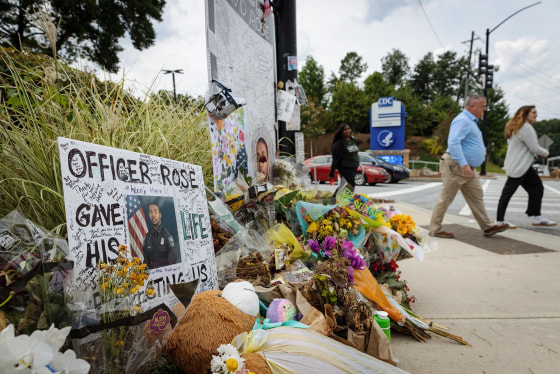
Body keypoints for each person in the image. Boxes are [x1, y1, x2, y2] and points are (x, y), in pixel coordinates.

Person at [429, 94, 509, 238]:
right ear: (472, 106)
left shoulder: (471, 121)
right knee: (446, 198)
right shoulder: (462, 120)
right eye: (482, 106)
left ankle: (487, 227)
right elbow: (453, 143)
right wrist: (464, 163)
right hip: (457, 165)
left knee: (476, 196)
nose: (485, 109)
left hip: (468, 168)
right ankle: (435, 229)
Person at [496, 106, 556, 227]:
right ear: (525, 114)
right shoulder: (526, 128)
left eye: (536, 112)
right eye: (533, 112)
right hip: (518, 167)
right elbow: (534, 147)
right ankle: (499, 220)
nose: (536, 115)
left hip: (523, 166)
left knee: (537, 188)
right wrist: (546, 153)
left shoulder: (520, 127)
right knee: (508, 193)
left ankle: (537, 217)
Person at [143, 203, 178, 269]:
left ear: (160, 215)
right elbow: (146, 262)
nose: (153, 215)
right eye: (150, 212)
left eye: (155, 212)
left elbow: (172, 262)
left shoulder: (167, 236)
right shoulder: (147, 238)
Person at [329, 123, 360, 190]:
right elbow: (335, 159)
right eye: (345, 130)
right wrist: (332, 173)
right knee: (351, 185)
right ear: (341, 132)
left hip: (353, 167)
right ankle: (345, 199)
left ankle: (334, 199)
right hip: (345, 168)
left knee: (344, 185)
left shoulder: (352, 139)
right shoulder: (339, 143)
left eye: (349, 129)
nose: (347, 131)